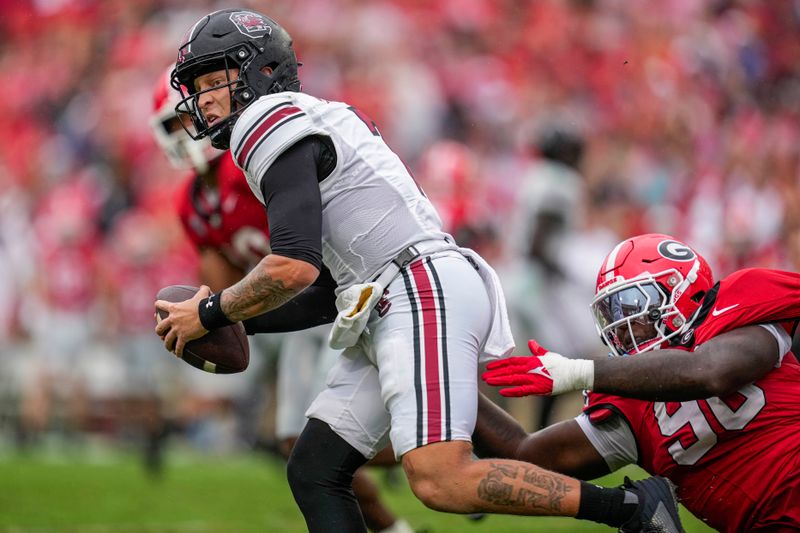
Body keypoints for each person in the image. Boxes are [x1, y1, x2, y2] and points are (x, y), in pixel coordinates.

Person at [154, 9, 684, 532]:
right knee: (315, 469)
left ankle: (635, 510)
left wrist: (209, 310)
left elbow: (293, 265)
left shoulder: (266, 121)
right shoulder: (308, 118)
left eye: (212, 79)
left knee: (441, 480)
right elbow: (324, 289)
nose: (202, 99)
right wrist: (238, 321)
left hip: (415, 290)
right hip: (391, 294)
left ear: (259, 72)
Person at [150, 66, 413, 533]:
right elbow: (219, 282)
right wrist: (209, 317)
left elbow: (298, 249)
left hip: (330, 296)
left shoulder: (249, 159)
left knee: (326, 446)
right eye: (173, 124)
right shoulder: (191, 201)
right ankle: (403, 513)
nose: (184, 130)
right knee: (302, 446)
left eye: (183, 118)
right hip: (286, 315)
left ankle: (449, 439)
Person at [481, 233, 800, 532]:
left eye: (632, 306)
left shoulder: (738, 306)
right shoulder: (627, 399)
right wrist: (443, 383)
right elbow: (524, 457)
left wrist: (578, 371)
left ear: (681, 289)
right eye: (612, 310)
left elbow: (711, 372)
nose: (620, 327)